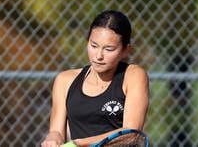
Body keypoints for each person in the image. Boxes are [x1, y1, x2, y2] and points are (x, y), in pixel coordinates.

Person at [41, 10, 149, 147]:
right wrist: (53, 138)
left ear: (126, 51)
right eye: (93, 45)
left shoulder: (133, 75)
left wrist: (79, 143)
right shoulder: (64, 80)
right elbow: (56, 131)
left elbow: (131, 133)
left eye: (109, 49)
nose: (98, 56)